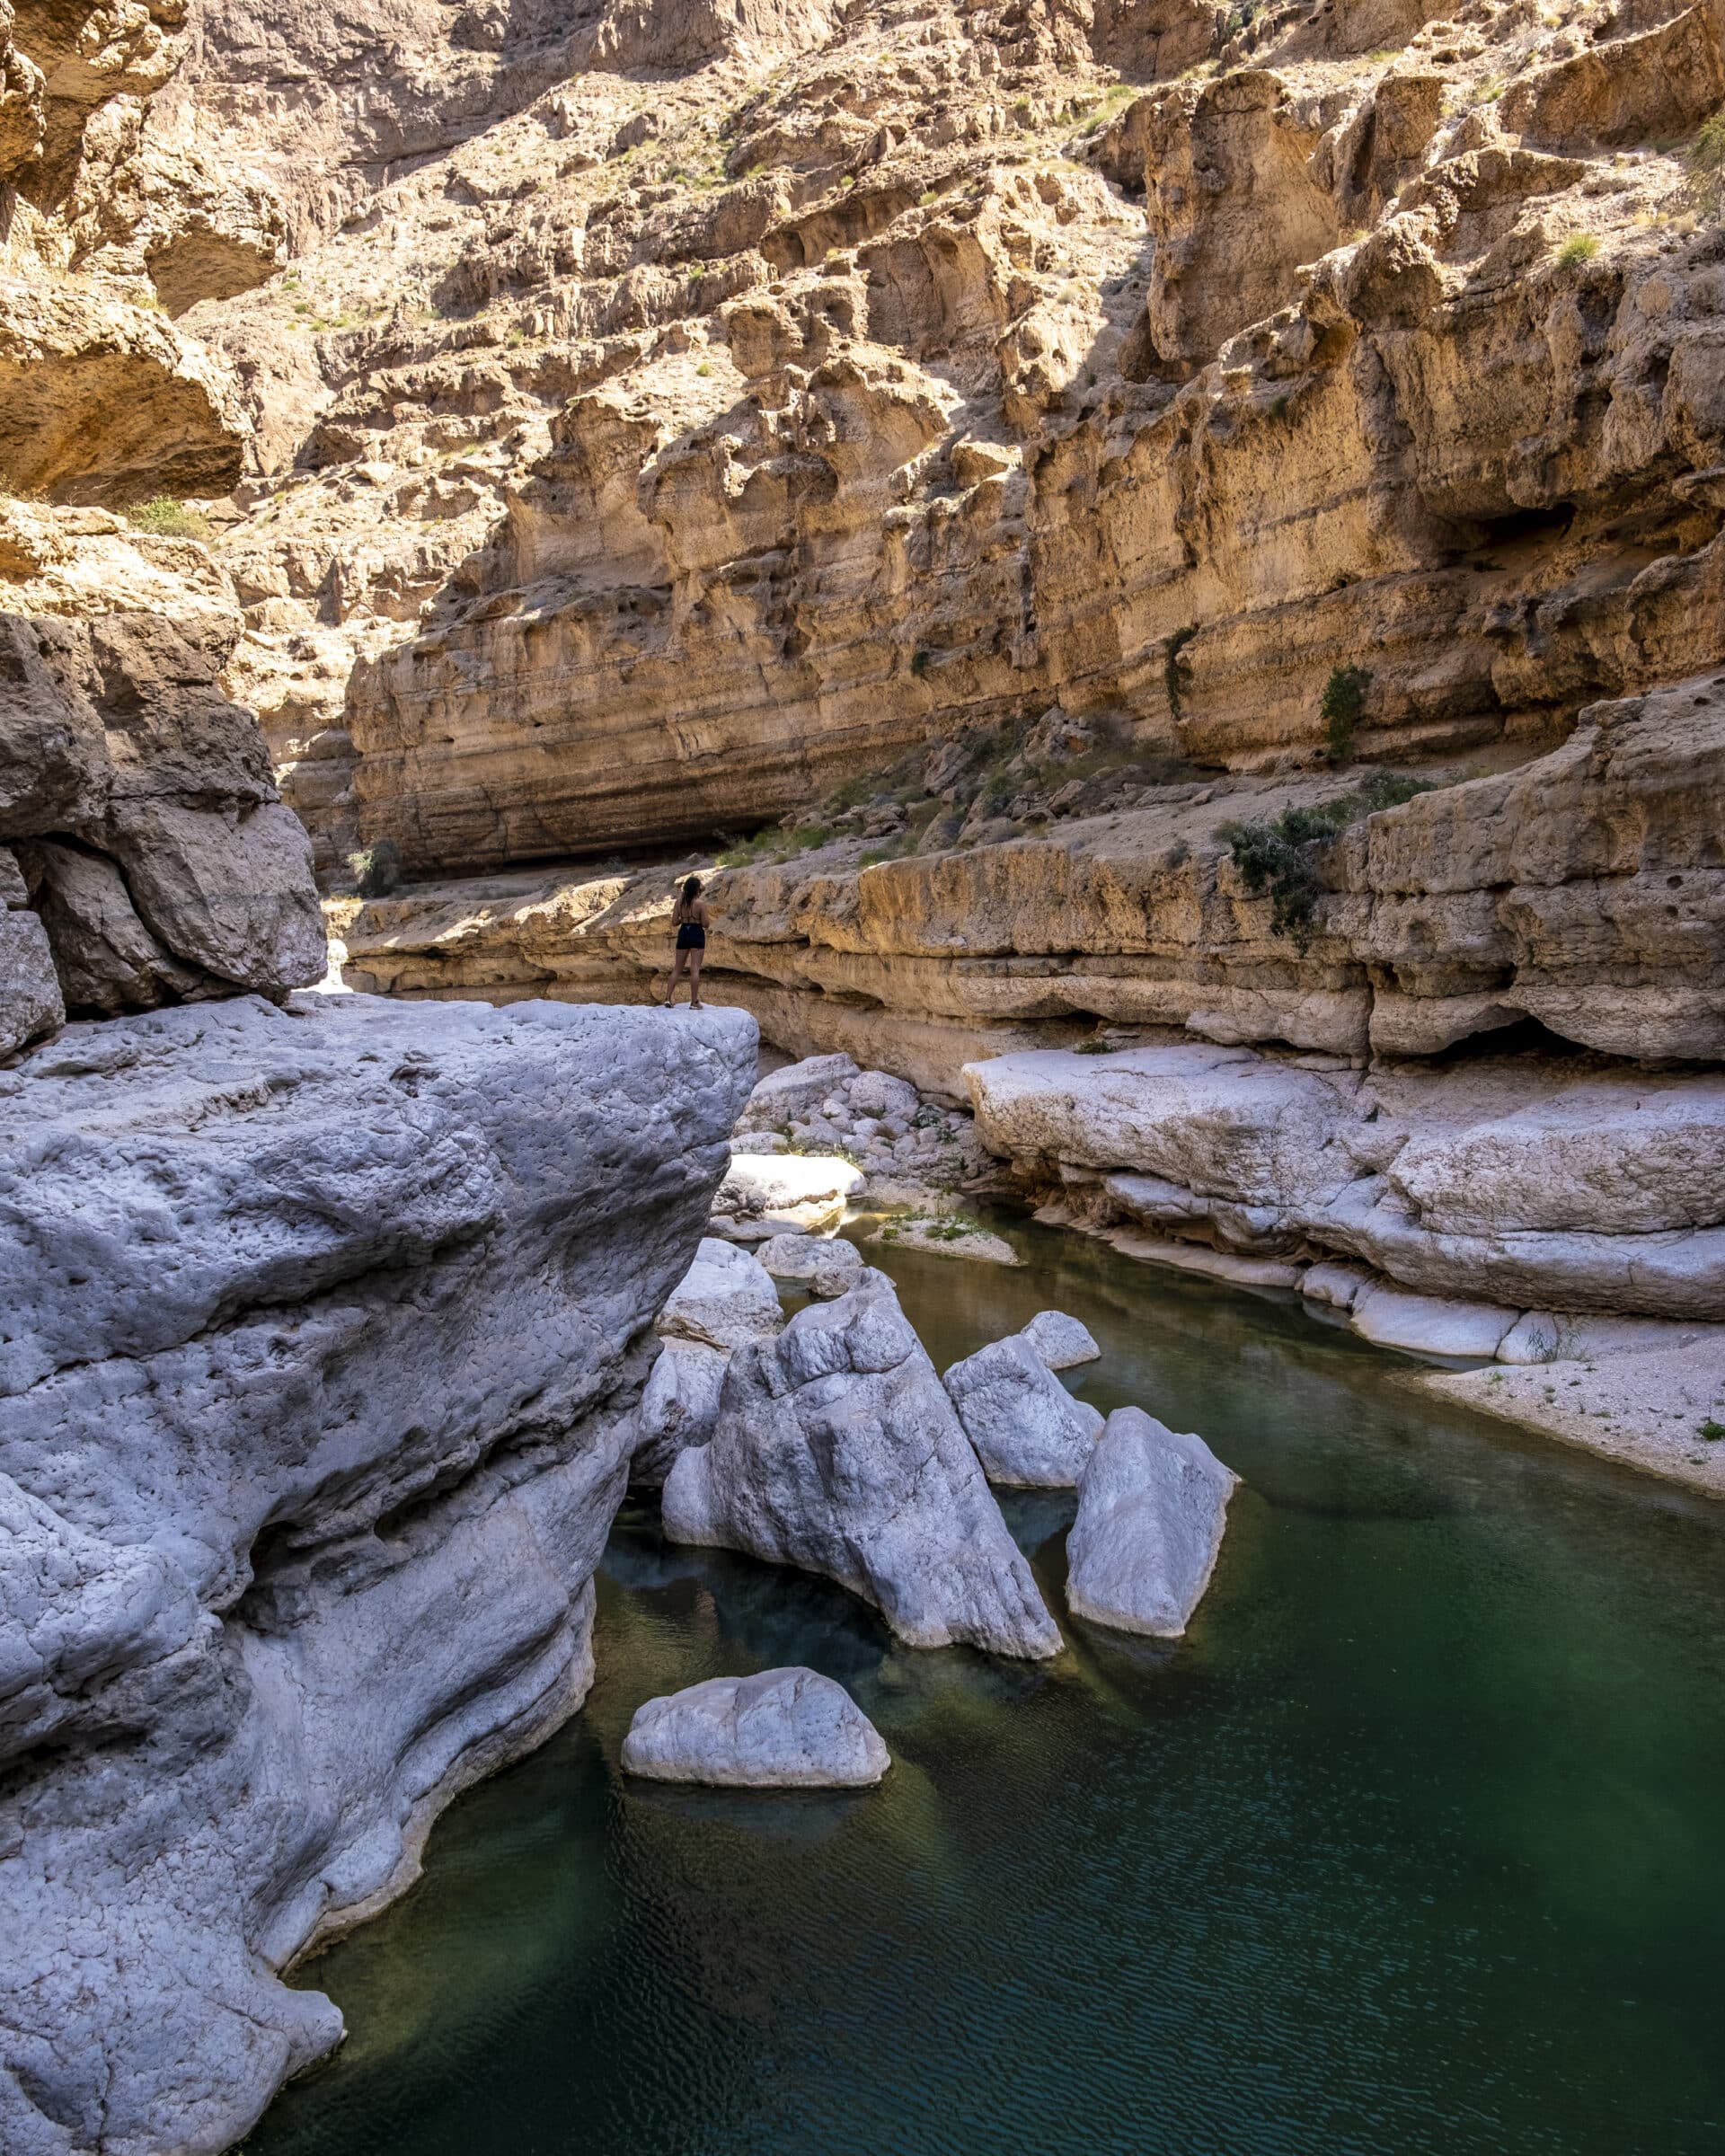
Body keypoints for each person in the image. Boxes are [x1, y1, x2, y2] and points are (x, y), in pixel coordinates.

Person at [665, 874, 709, 1008]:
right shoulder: (700, 904)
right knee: (695, 969)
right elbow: (705, 924)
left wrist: (683, 919)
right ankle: (694, 1002)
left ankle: (667, 998)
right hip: (696, 933)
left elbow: (674, 922)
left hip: (684, 932)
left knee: (677, 968)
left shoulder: (679, 903)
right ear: (697, 889)